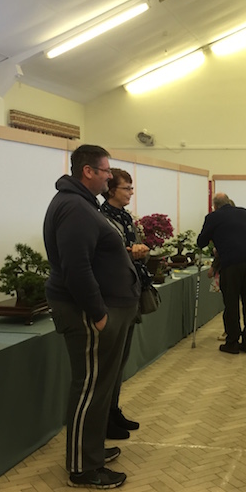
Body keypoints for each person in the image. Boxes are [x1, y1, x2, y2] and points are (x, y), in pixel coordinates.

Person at [43, 145, 140, 489]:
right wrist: (98, 314)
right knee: (90, 387)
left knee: (99, 387)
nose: (109, 177)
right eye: (106, 171)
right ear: (88, 171)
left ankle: (92, 449)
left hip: (97, 308)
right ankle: (83, 467)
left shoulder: (82, 204)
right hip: (86, 312)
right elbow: (77, 268)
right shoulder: (74, 207)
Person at [100, 169, 149, 440]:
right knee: (110, 363)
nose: (131, 193)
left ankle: (113, 409)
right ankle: (104, 418)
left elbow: (136, 249)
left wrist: (139, 251)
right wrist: (131, 253)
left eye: (131, 188)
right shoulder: (102, 220)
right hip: (113, 296)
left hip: (130, 292)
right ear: (111, 190)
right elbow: (106, 258)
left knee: (120, 361)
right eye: (126, 188)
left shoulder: (126, 219)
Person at [197, 193, 246, 354]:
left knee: (231, 304)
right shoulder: (243, 212)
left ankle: (232, 342)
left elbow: (201, 242)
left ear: (214, 206)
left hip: (231, 264)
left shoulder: (213, 217)